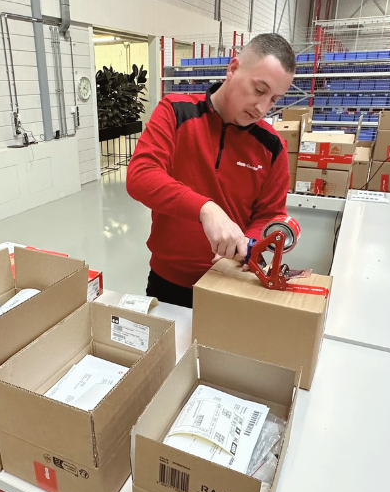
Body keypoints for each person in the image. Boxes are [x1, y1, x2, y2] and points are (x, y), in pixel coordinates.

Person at [126, 33, 296, 308]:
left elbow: (269, 214)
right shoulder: (176, 111)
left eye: (274, 99)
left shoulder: (272, 146)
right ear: (233, 69)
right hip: (168, 282)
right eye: (259, 90)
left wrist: (249, 243)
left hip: (231, 285)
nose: (262, 108)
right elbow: (141, 175)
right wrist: (206, 209)